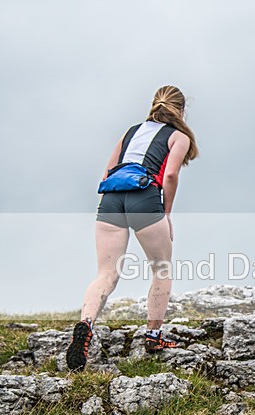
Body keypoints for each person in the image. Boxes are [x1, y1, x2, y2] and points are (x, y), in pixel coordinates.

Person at [65, 85, 199, 372]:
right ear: (182, 109)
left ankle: (85, 324)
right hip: (145, 196)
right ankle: (153, 336)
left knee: (106, 273)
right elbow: (171, 174)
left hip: (111, 198)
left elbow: (107, 173)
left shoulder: (130, 132)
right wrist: (166, 213)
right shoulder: (179, 137)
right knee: (162, 268)